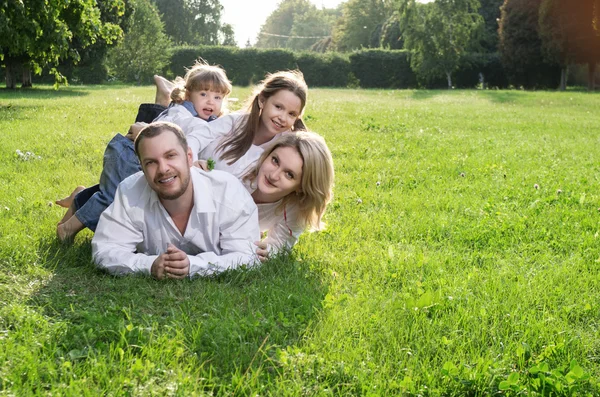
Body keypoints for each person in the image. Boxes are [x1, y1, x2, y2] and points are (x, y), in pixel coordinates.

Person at [56, 61, 232, 243]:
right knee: (113, 199)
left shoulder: (201, 119)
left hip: (138, 156)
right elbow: (183, 142)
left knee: (117, 194)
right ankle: (67, 230)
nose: (211, 101)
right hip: (131, 154)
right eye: (203, 94)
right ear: (188, 95)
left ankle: (79, 197)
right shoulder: (181, 115)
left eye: (217, 97)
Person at [92, 122, 260, 278]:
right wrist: (150, 265)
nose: (163, 169)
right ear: (141, 167)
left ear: (188, 156)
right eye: (151, 162)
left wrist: (193, 265)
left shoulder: (227, 191)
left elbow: (247, 256)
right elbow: (105, 250)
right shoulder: (130, 191)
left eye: (170, 156)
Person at [240, 131, 335, 255]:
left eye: (289, 174)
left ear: (301, 187)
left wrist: (268, 250)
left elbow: (278, 246)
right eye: (275, 161)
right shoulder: (239, 170)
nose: (273, 176)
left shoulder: (295, 209)